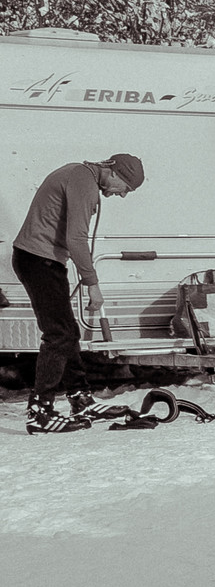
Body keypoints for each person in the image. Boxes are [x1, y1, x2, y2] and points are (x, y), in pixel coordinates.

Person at [11, 153, 144, 434]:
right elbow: (76, 238)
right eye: (126, 189)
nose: (122, 196)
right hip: (39, 260)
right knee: (59, 334)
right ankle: (40, 413)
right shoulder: (83, 180)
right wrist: (92, 283)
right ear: (114, 172)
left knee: (68, 331)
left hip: (41, 259)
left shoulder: (79, 175)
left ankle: (80, 399)